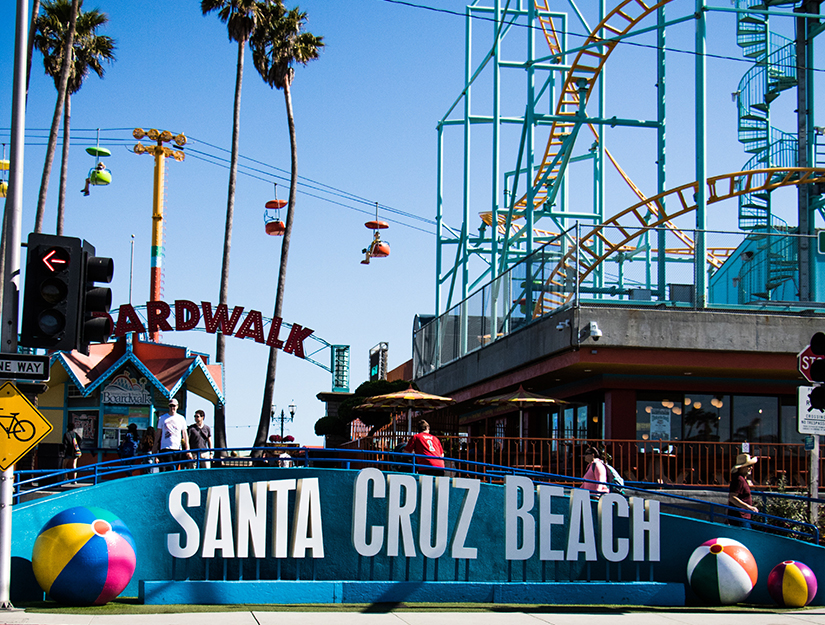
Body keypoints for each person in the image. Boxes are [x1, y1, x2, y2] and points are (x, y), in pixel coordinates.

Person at [153, 398, 191, 471]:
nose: (172, 408)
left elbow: (185, 434)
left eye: (173, 406)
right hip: (165, 447)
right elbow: (158, 433)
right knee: (165, 469)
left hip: (177, 448)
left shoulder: (181, 418)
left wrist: (187, 449)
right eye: (170, 406)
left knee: (174, 469)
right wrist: (155, 446)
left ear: (177, 406)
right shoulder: (163, 418)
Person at [728, 453, 759, 528]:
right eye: (749, 466)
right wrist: (749, 507)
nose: (751, 468)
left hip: (742, 516)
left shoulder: (742, 479)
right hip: (740, 517)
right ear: (741, 468)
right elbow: (732, 497)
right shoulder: (739, 480)